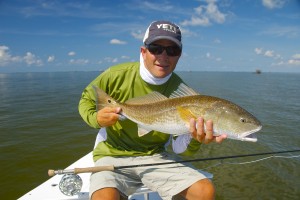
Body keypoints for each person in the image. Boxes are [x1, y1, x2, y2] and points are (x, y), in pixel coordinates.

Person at [79, 20, 227, 200]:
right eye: (156, 48)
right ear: (143, 51)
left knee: (205, 191)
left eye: (172, 50)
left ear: (179, 55)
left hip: (155, 156)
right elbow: (87, 98)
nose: (163, 56)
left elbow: (181, 150)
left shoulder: (183, 92)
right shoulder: (115, 75)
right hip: (112, 153)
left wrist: (195, 139)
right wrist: (96, 119)